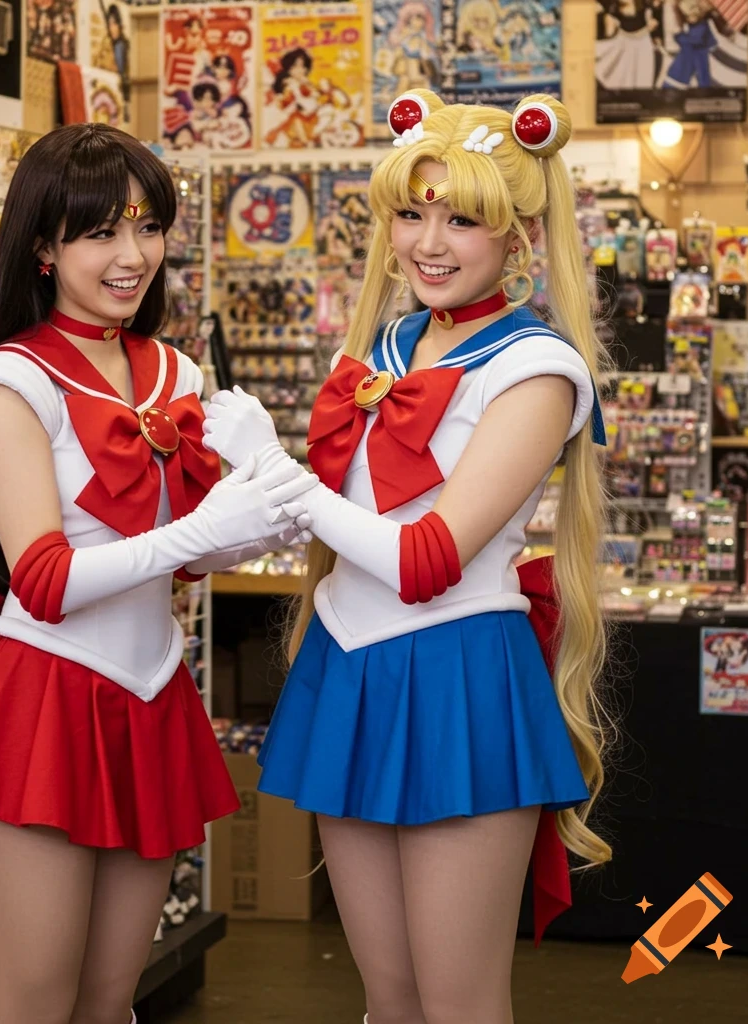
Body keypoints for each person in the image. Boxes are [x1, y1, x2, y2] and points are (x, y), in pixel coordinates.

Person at [201, 89, 613, 1024]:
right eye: (411, 212)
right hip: (348, 664)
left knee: (459, 1006)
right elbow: (346, 516)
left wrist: (278, 469)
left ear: (518, 232)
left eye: (462, 218)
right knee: (387, 1000)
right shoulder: (386, 346)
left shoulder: (536, 370)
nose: (430, 241)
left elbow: (428, 557)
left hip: (460, 671)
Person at [0, 123, 314, 1024]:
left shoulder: (176, 371)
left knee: (110, 1000)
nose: (132, 256)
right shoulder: (11, 382)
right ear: (42, 245)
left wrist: (258, 509)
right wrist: (207, 524)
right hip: (41, 699)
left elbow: (186, 554)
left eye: (147, 226)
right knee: (36, 1002)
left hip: (151, 695)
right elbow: (42, 578)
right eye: (100, 233)